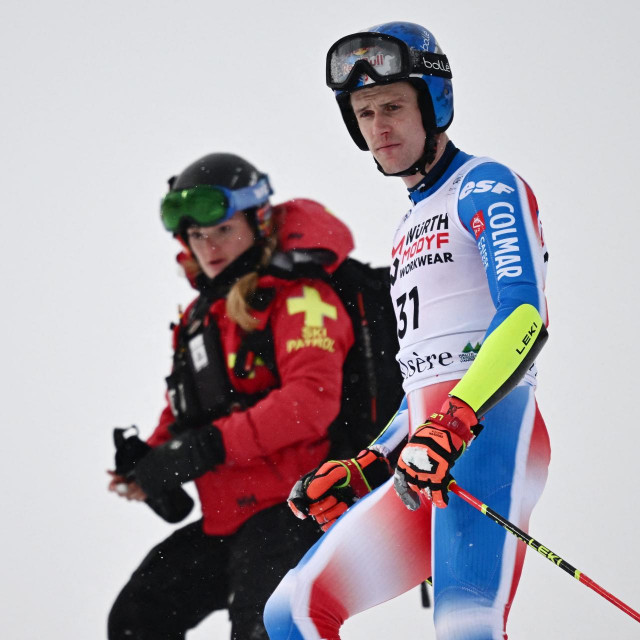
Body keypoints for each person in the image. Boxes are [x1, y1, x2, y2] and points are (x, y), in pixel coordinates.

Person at [264, 21, 551, 640]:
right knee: (293, 611)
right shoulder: (406, 226)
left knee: (463, 627)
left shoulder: (485, 183)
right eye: (364, 113)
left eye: (392, 106)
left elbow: (525, 317)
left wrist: (456, 420)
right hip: (431, 448)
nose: (379, 127)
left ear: (434, 102)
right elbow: (424, 373)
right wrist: (371, 461)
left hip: (492, 432)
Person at [107, 153, 356, 640]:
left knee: (266, 630)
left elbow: (311, 402)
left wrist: (207, 448)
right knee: (138, 619)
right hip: (229, 518)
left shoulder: (301, 296)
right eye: (196, 236)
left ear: (257, 219)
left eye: (221, 229)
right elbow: (185, 413)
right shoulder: (203, 317)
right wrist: (150, 462)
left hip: (295, 509)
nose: (208, 246)